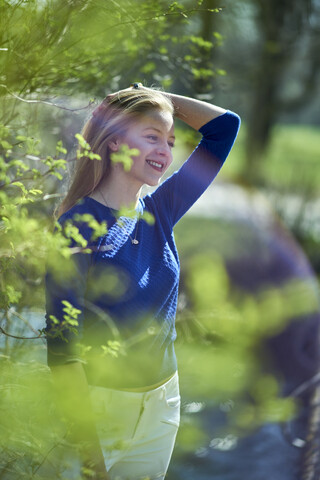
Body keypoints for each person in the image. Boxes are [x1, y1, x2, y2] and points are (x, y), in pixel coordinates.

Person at [45, 84, 240, 480]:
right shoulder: (77, 228)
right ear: (115, 143)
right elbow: (63, 354)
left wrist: (153, 95)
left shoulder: (162, 209)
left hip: (162, 406)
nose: (165, 153)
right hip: (96, 414)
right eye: (152, 137)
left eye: (169, 141)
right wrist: (90, 458)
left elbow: (224, 128)